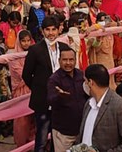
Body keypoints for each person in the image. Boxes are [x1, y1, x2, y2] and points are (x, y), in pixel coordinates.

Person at [22, 16, 72, 152]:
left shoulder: (65, 48)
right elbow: (26, 75)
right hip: (42, 101)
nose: (51, 33)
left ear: (59, 30)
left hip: (61, 101)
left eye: (53, 29)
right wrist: (39, 89)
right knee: (41, 139)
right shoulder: (35, 50)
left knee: (58, 138)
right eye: (47, 30)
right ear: (42, 31)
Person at [75, 64, 122, 152]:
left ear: (91, 82)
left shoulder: (120, 106)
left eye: (85, 81)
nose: (84, 84)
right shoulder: (89, 104)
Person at [47, 48, 88, 152]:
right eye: (65, 60)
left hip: (81, 130)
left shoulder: (81, 75)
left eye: (71, 60)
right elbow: (50, 100)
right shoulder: (54, 79)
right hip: (63, 133)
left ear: (75, 60)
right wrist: (60, 96)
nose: (68, 63)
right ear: (59, 60)